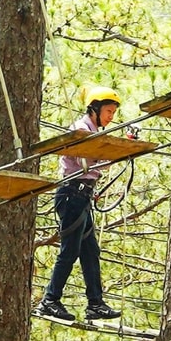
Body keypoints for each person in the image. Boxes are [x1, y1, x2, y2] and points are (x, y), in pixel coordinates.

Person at [37, 85, 124, 322]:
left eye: (113, 112)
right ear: (94, 109)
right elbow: (87, 161)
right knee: (71, 250)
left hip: (82, 196)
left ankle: (95, 303)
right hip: (72, 194)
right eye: (108, 111)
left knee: (90, 251)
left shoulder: (95, 132)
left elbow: (100, 163)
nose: (111, 116)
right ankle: (50, 300)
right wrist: (110, 152)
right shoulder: (80, 129)